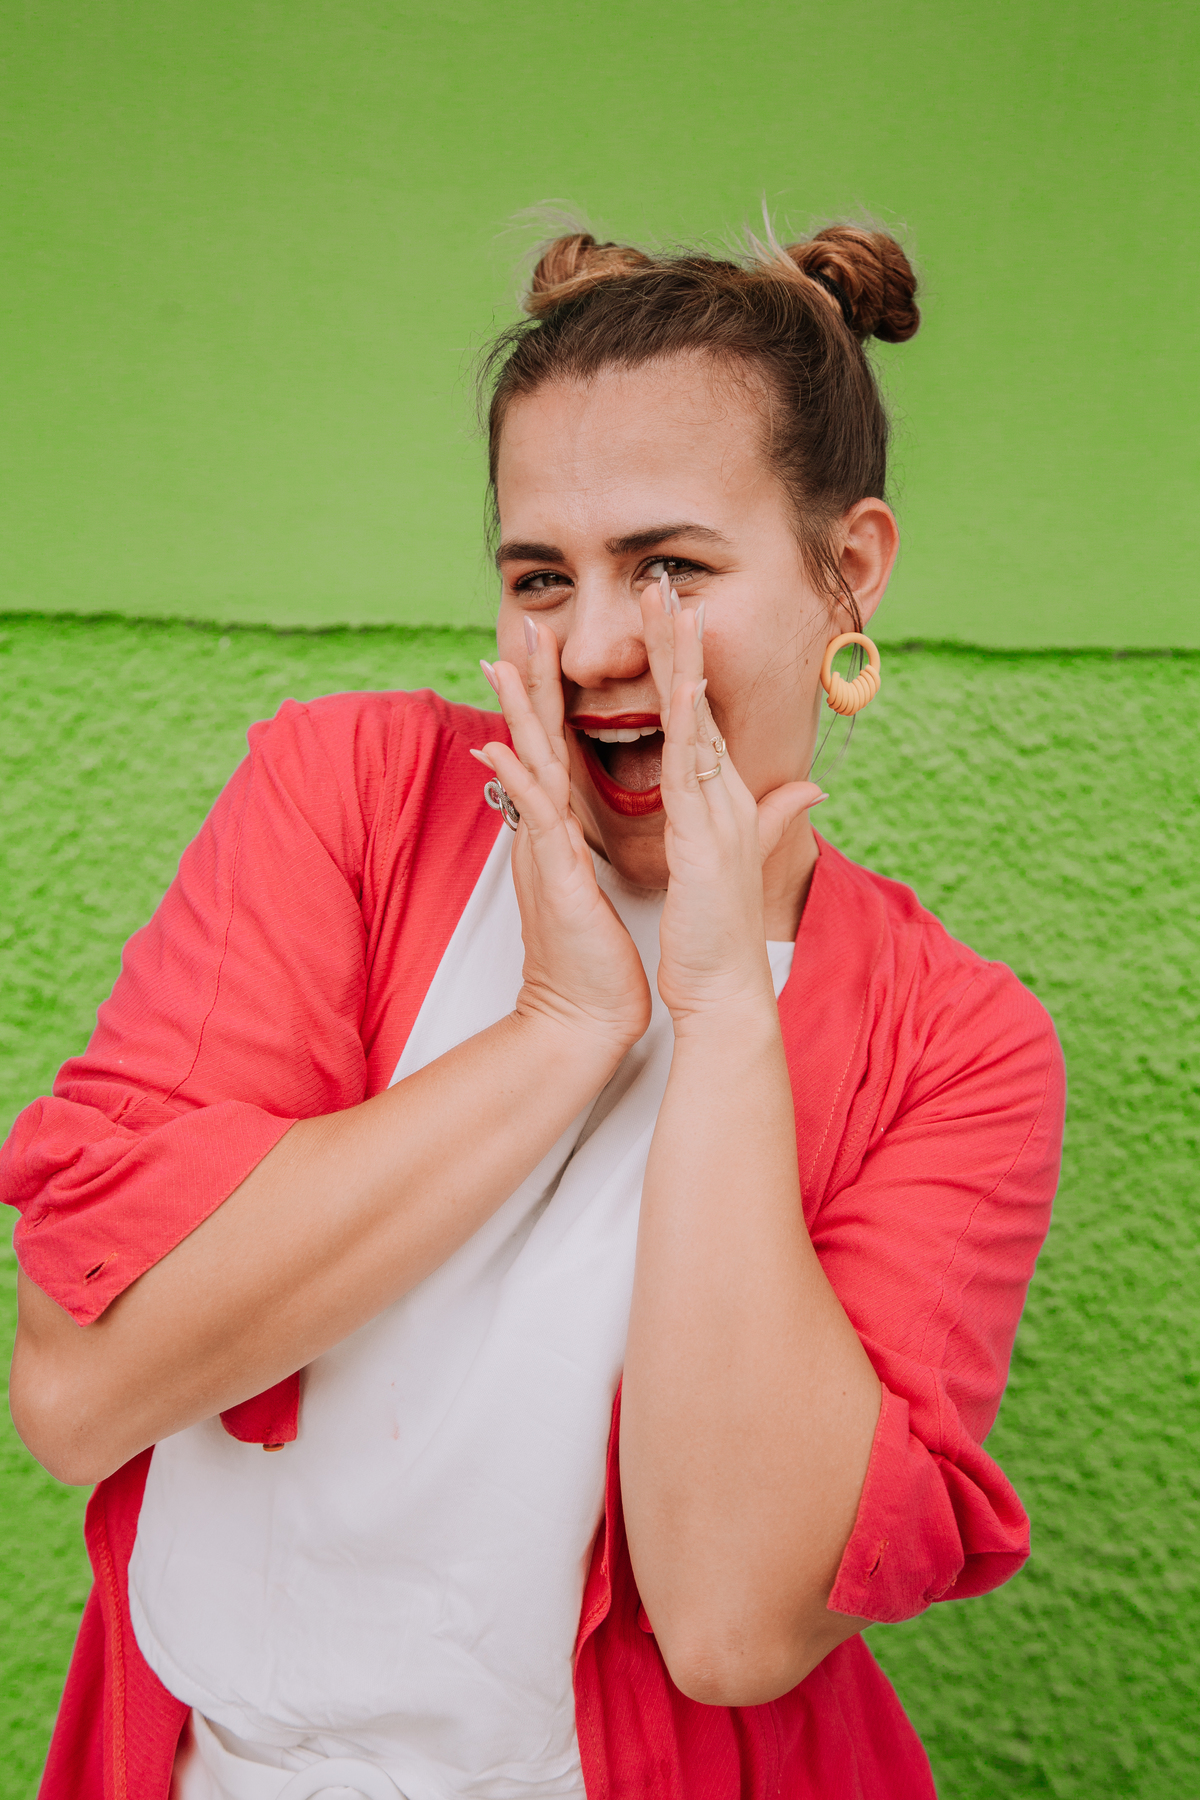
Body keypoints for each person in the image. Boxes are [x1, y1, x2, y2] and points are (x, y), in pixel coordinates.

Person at [3, 221, 1065, 1800]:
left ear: (850, 571)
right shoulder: (348, 797)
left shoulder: (959, 1045)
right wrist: (562, 1029)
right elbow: (81, 1392)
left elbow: (728, 1626)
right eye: (538, 577)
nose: (588, 649)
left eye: (672, 567)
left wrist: (716, 1010)